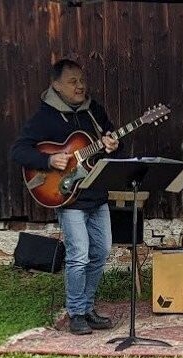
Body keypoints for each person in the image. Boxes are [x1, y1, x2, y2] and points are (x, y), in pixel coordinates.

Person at [10, 59, 120, 335]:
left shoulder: (93, 111)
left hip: (96, 194)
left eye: (82, 80)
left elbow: (111, 145)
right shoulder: (44, 116)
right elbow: (19, 151)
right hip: (67, 197)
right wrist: (49, 161)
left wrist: (112, 145)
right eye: (72, 81)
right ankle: (75, 313)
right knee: (79, 254)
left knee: (102, 251)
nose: (80, 85)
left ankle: (87, 307)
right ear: (56, 85)